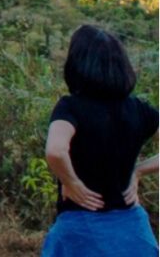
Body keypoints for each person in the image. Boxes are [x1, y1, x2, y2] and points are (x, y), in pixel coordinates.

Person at [42, 25, 159, 257]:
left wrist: (72, 182)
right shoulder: (138, 109)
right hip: (132, 229)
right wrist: (138, 172)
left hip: (81, 227)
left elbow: (56, 151)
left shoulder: (70, 107)